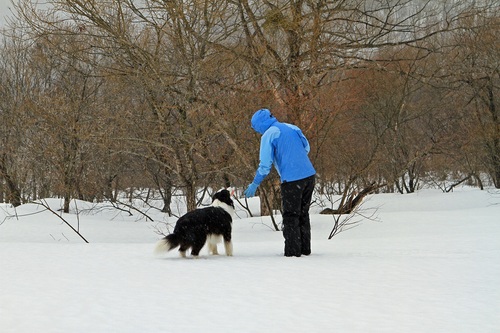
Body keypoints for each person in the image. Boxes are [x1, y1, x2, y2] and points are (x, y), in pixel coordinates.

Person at [244, 108, 316, 257]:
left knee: (291, 216)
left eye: (256, 128)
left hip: (292, 180)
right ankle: (305, 250)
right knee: (303, 214)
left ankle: (292, 253)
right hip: (309, 175)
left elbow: (265, 165)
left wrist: (255, 184)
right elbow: (306, 148)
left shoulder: (269, 135)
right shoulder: (291, 127)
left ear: (259, 125)